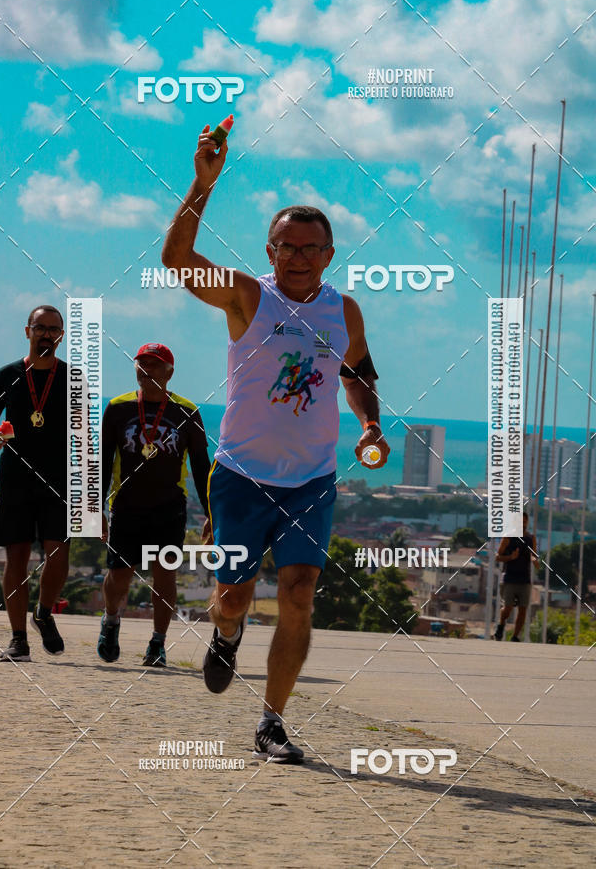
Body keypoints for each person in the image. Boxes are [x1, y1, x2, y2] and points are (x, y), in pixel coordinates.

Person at [161, 123, 390, 763]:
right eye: (286, 247)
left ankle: (272, 721)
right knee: (233, 596)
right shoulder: (246, 297)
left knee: (296, 593)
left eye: (310, 248)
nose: (297, 258)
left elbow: (359, 374)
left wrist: (369, 422)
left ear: (329, 253)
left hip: (311, 479)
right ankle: (226, 633)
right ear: (269, 249)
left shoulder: (343, 312)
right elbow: (177, 263)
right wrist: (202, 186)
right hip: (241, 474)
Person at [99, 343, 210, 667]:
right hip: (127, 505)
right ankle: (111, 620)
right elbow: (103, 461)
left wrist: (210, 513)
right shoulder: (118, 408)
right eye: (142, 364)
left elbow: (203, 467)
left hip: (169, 507)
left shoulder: (187, 411)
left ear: (169, 372)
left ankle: (157, 643)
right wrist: (96, 510)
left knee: (165, 577)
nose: (146, 370)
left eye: (155, 365)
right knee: (119, 575)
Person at [0, 306, 69, 662]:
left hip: (58, 482)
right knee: (17, 559)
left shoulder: (74, 379)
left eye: (53, 329)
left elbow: (86, 442)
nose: (46, 334)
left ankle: (42, 613)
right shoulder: (7, 375)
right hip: (15, 480)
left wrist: (93, 500)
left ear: (61, 336)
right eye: (40, 327)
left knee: (58, 557)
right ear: (27, 331)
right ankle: (18, 638)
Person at [494, 511, 538, 641]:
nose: (523, 524)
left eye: (525, 521)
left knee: (523, 609)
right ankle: (501, 624)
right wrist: (510, 557)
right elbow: (497, 557)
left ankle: (515, 636)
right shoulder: (508, 538)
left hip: (525, 579)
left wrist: (534, 560)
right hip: (509, 579)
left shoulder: (531, 538)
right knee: (507, 608)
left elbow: (533, 554)